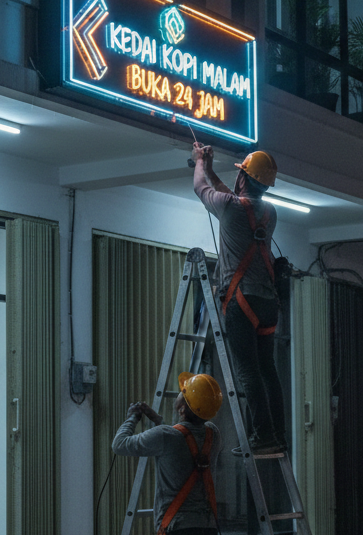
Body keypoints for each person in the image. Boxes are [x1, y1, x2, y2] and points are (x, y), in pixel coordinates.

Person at [190, 141, 285, 455]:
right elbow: (232, 197)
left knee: (248, 371)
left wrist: (200, 162)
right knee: (267, 369)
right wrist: (211, 168)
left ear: (243, 177)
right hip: (267, 303)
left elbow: (201, 188)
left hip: (240, 301)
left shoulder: (230, 208)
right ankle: (277, 434)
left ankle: (263, 435)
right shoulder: (269, 213)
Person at [112, 372, 223, 535]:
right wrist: (158, 420)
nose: (179, 393)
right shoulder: (213, 434)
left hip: (177, 527)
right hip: (208, 526)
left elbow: (119, 444)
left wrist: (132, 418)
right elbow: (182, 440)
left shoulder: (165, 436)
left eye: (182, 392)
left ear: (182, 408)